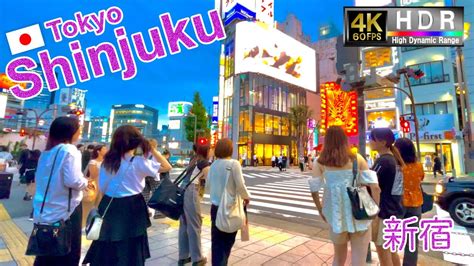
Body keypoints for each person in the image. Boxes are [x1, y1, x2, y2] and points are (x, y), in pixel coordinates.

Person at [83, 125, 171, 266]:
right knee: (131, 247)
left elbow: (103, 187)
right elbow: (167, 167)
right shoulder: (138, 162)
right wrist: (152, 149)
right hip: (132, 207)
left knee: (106, 244)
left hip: (110, 204)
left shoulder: (107, 161)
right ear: (135, 142)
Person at [309, 126, 380, 266]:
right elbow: (375, 187)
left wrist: (320, 209)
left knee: (338, 258)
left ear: (327, 141)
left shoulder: (320, 161)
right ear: (344, 140)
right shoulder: (356, 158)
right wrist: (375, 210)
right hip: (359, 212)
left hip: (335, 213)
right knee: (358, 261)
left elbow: (314, 189)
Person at [32, 116, 88, 266]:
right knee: (67, 252)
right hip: (66, 210)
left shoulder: (46, 152)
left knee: (46, 253)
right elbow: (73, 181)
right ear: (70, 132)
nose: (80, 132)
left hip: (44, 210)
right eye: (79, 129)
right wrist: (85, 182)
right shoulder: (70, 150)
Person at [207, 138, 250, 265]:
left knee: (216, 243)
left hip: (215, 208)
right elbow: (241, 185)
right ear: (230, 149)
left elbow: (208, 185)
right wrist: (246, 197)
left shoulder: (213, 165)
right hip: (229, 208)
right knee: (227, 242)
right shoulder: (234, 164)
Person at [369, 128, 405, 266]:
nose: (370, 141)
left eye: (373, 138)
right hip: (395, 210)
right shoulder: (395, 160)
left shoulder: (383, 161)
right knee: (391, 251)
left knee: (384, 255)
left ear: (382, 142)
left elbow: (372, 185)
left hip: (384, 212)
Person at [178, 142, 211, 266]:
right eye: (210, 149)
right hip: (191, 191)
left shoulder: (194, 159)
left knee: (184, 223)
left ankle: (183, 256)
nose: (211, 151)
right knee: (195, 223)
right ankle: (197, 259)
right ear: (206, 151)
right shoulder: (203, 162)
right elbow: (210, 179)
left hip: (183, 189)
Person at [395, 138, 424, 266]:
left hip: (398, 204)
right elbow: (420, 179)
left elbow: (393, 187)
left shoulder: (398, 167)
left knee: (391, 237)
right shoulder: (418, 166)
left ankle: (391, 262)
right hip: (416, 204)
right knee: (412, 240)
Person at [81, 144, 107, 227]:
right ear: (98, 151)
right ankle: (85, 224)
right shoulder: (93, 162)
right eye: (104, 149)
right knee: (90, 206)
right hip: (95, 186)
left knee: (100, 206)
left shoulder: (106, 161)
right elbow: (93, 175)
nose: (106, 151)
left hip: (103, 186)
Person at [142, 139, 162, 218]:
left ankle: (144, 212)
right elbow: (160, 164)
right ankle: (158, 213)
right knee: (156, 193)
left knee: (144, 194)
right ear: (155, 145)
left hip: (144, 175)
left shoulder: (143, 153)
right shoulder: (157, 153)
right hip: (154, 175)